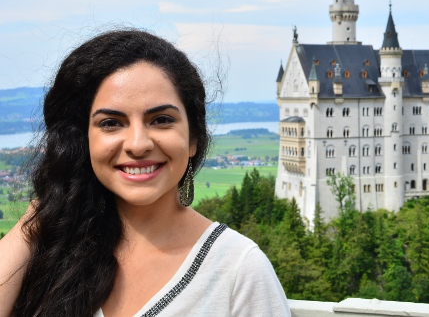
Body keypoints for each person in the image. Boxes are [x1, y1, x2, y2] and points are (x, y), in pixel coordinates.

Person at [0, 29, 291, 317]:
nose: (138, 145)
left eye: (161, 120)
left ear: (193, 139)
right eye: (111, 123)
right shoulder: (51, 255)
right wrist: (46, 211)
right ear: (82, 141)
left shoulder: (238, 270)